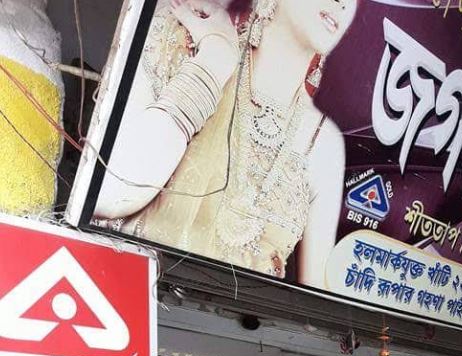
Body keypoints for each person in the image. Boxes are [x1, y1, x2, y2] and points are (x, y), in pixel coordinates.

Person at [95, 0, 359, 280]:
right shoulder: (182, 40)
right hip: (120, 292)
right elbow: (108, 195)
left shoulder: (324, 144)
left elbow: (313, 303)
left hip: (233, 311)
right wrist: (214, 60)